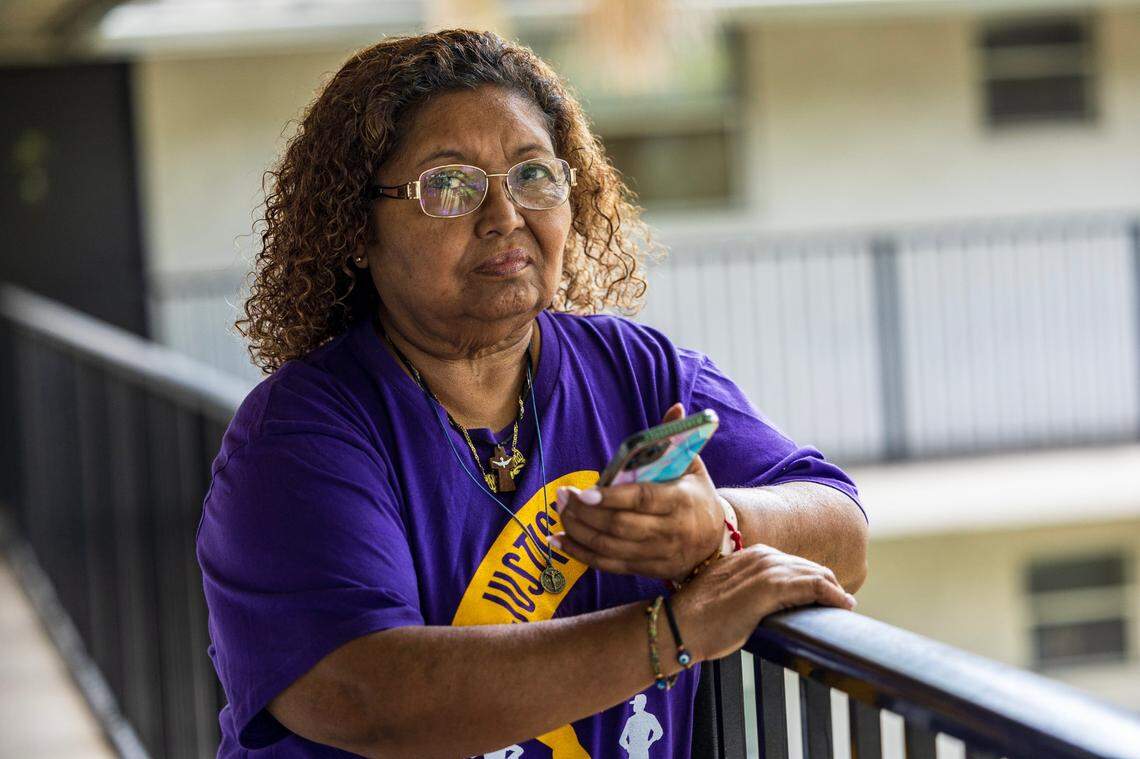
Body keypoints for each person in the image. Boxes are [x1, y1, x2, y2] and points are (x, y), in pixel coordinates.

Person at [196, 28, 868, 759]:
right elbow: (367, 694)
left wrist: (722, 526)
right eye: (449, 185)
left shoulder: (637, 370)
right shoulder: (299, 434)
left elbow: (842, 530)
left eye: (533, 175)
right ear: (357, 227)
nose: (505, 216)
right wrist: (671, 633)